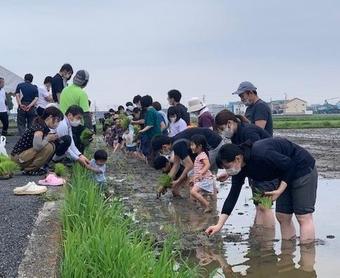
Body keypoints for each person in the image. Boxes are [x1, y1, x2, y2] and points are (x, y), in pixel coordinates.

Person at [206, 138, 318, 244]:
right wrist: (219, 225)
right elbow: (233, 195)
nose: (227, 171)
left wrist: (280, 190)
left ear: (237, 158)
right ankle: (287, 255)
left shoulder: (261, 154)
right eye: (225, 168)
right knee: (282, 216)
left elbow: (290, 165)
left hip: (302, 169)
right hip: (284, 175)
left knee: (303, 217)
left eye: (227, 166)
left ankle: (307, 258)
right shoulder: (240, 168)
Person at [215, 109, 276, 228]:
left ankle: (268, 242)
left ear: (229, 123)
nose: (223, 133)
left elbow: (258, 151)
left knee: (265, 206)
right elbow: (239, 158)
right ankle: (259, 235)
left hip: (268, 168)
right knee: (259, 205)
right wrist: (229, 172)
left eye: (222, 129)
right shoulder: (236, 135)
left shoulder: (248, 131)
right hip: (255, 171)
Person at [151, 128, 223, 196]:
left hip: (213, 144)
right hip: (209, 142)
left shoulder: (177, 145)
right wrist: (163, 184)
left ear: (164, 147)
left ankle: (203, 200)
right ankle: (207, 198)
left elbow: (189, 165)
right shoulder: (175, 144)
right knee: (202, 174)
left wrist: (178, 181)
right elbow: (176, 166)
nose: (162, 153)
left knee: (199, 172)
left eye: (161, 151)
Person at [11, 107, 63, 175]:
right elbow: (37, 146)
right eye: (57, 120)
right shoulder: (39, 128)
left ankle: (34, 168)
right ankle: (30, 169)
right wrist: (47, 139)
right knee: (48, 147)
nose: (58, 124)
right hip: (18, 158)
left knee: (51, 145)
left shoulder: (41, 125)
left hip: (22, 156)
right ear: (50, 117)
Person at [60, 70, 92, 153]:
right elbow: (86, 114)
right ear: (85, 82)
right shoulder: (82, 94)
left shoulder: (64, 90)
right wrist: (89, 130)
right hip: (75, 125)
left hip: (63, 122)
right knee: (78, 148)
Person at [189, 135, 215, 213]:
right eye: (191, 145)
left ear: (200, 146)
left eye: (192, 145)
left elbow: (207, 165)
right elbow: (197, 169)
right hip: (202, 179)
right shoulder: (199, 156)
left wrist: (201, 172)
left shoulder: (202, 155)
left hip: (205, 179)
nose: (191, 147)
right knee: (196, 194)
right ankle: (205, 206)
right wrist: (193, 179)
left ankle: (207, 205)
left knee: (193, 192)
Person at [139, 95, 161, 161]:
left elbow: (150, 125)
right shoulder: (152, 110)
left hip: (153, 135)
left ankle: (152, 166)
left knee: (151, 153)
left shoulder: (150, 111)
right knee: (154, 153)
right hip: (155, 135)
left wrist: (142, 130)